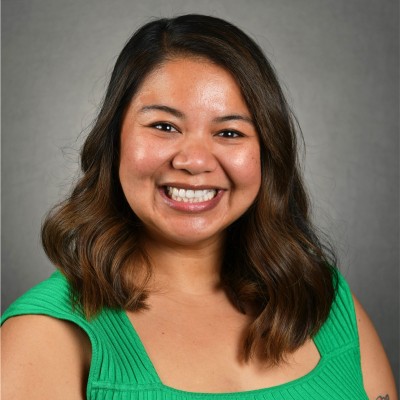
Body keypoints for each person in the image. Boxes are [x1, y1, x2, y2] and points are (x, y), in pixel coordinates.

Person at [1, 14, 397, 400]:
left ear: (267, 153)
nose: (194, 161)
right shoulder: (43, 334)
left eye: (230, 132)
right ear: (114, 140)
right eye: (164, 126)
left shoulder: (324, 299)